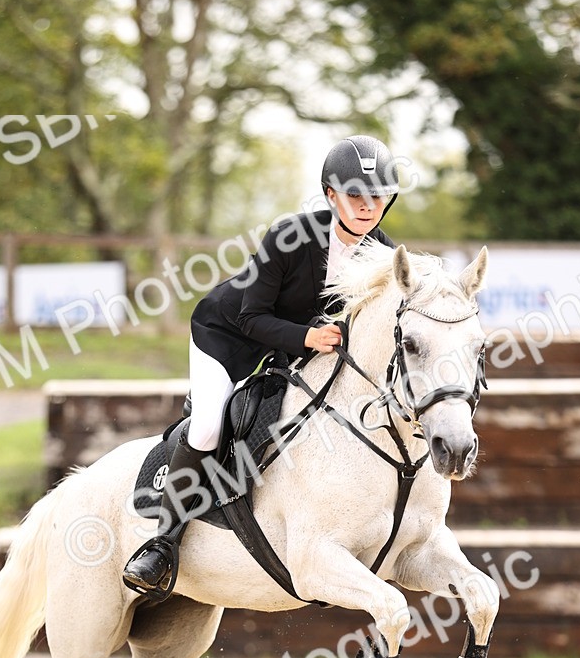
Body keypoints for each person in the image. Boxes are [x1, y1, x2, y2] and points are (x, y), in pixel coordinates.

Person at [122, 134, 400, 600]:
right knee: (209, 427)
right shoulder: (290, 237)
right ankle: (162, 545)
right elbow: (251, 316)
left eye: (377, 196)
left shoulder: (385, 256)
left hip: (293, 353)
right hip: (227, 338)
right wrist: (307, 337)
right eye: (355, 194)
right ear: (331, 194)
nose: (367, 206)